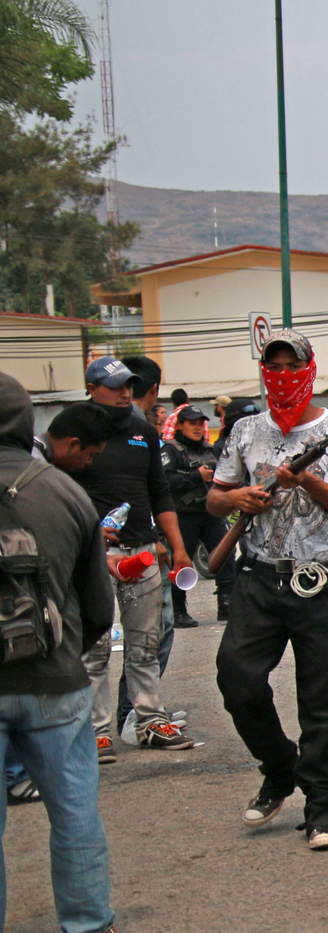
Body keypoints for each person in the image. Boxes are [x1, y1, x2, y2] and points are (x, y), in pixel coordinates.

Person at [209, 329, 328, 851]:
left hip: (317, 578)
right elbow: (214, 497)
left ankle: (322, 808)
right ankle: (280, 769)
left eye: (289, 364)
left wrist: (309, 482)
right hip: (257, 576)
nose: (281, 374)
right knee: (238, 680)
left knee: (323, 698)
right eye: (271, 365)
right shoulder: (246, 430)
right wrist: (242, 497)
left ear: (309, 368)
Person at [0, 372, 118, 933]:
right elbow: (99, 607)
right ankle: (89, 924)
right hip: (57, 681)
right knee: (74, 815)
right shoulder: (66, 492)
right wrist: (68, 651)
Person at [75, 357, 194, 760]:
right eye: (115, 386)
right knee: (94, 646)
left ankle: (148, 720)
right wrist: (86, 530)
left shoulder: (142, 431)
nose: (125, 392)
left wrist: (177, 547)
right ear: (91, 388)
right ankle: (95, 732)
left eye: (129, 385)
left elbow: (159, 493)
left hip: (142, 550)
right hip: (94, 554)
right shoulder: (73, 431)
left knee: (145, 642)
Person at [163, 406, 234, 625]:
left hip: (210, 513)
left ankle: (227, 604)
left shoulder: (208, 449)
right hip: (184, 516)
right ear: (180, 425)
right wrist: (196, 476)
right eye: (192, 423)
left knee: (226, 556)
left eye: (199, 423)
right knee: (181, 560)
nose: (197, 428)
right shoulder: (170, 450)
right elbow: (165, 482)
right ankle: (177, 610)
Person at [33, 401, 115, 472]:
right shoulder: (37, 470)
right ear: (73, 444)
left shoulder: (30, 452)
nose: (89, 462)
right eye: (91, 455)